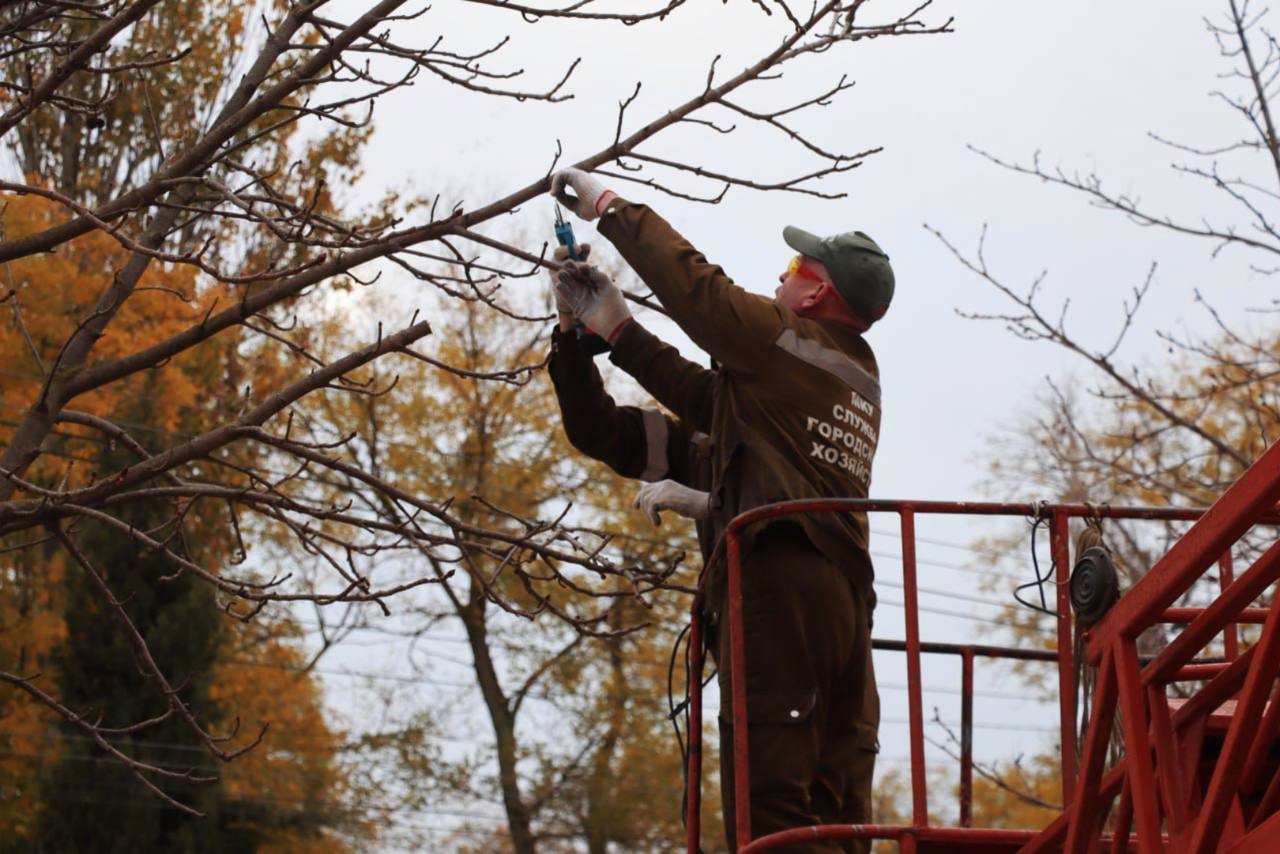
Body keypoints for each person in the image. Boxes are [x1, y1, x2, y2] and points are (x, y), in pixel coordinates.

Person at [547, 167, 894, 853]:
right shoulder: (819, 387)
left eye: (796, 265)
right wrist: (594, 333)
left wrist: (612, 209)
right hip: (844, 605)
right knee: (836, 806)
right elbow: (621, 426)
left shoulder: (787, 346)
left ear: (818, 289)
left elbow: (699, 293)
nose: (781, 277)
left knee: (770, 802)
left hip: (781, 583)